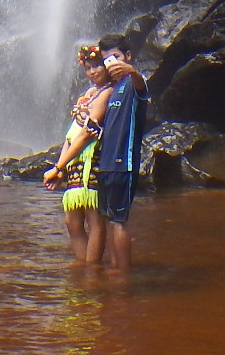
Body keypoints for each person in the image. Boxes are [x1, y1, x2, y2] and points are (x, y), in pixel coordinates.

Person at [41, 44, 113, 263]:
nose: (92, 72)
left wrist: (58, 167)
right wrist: (61, 166)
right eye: (88, 68)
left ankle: (92, 272)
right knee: (72, 221)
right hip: (75, 159)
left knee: (94, 218)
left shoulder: (108, 92)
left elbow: (86, 134)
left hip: (93, 159)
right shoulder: (90, 94)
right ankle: (83, 266)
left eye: (97, 66)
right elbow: (71, 135)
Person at [90, 35, 149, 271]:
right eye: (107, 60)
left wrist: (130, 70)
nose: (111, 63)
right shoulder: (111, 89)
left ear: (128, 56)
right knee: (109, 220)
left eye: (115, 57)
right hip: (105, 163)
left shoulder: (135, 83)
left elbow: (140, 82)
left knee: (119, 222)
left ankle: (122, 279)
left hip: (123, 162)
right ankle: (115, 270)